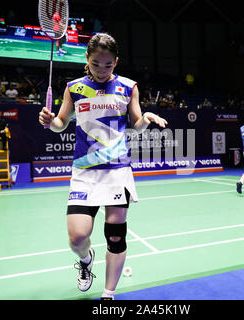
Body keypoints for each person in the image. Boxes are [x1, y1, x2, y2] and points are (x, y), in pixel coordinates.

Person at [38, 33, 167, 300]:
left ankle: (107, 295)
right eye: (96, 64)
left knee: (116, 237)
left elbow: (135, 123)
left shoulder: (128, 87)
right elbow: (61, 123)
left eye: (108, 65)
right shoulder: (74, 88)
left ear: (116, 62)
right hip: (85, 171)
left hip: (117, 171)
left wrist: (146, 118)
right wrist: (50, 121)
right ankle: (86, 260)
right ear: (87, 58)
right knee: (77, 237)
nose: (101, 70)